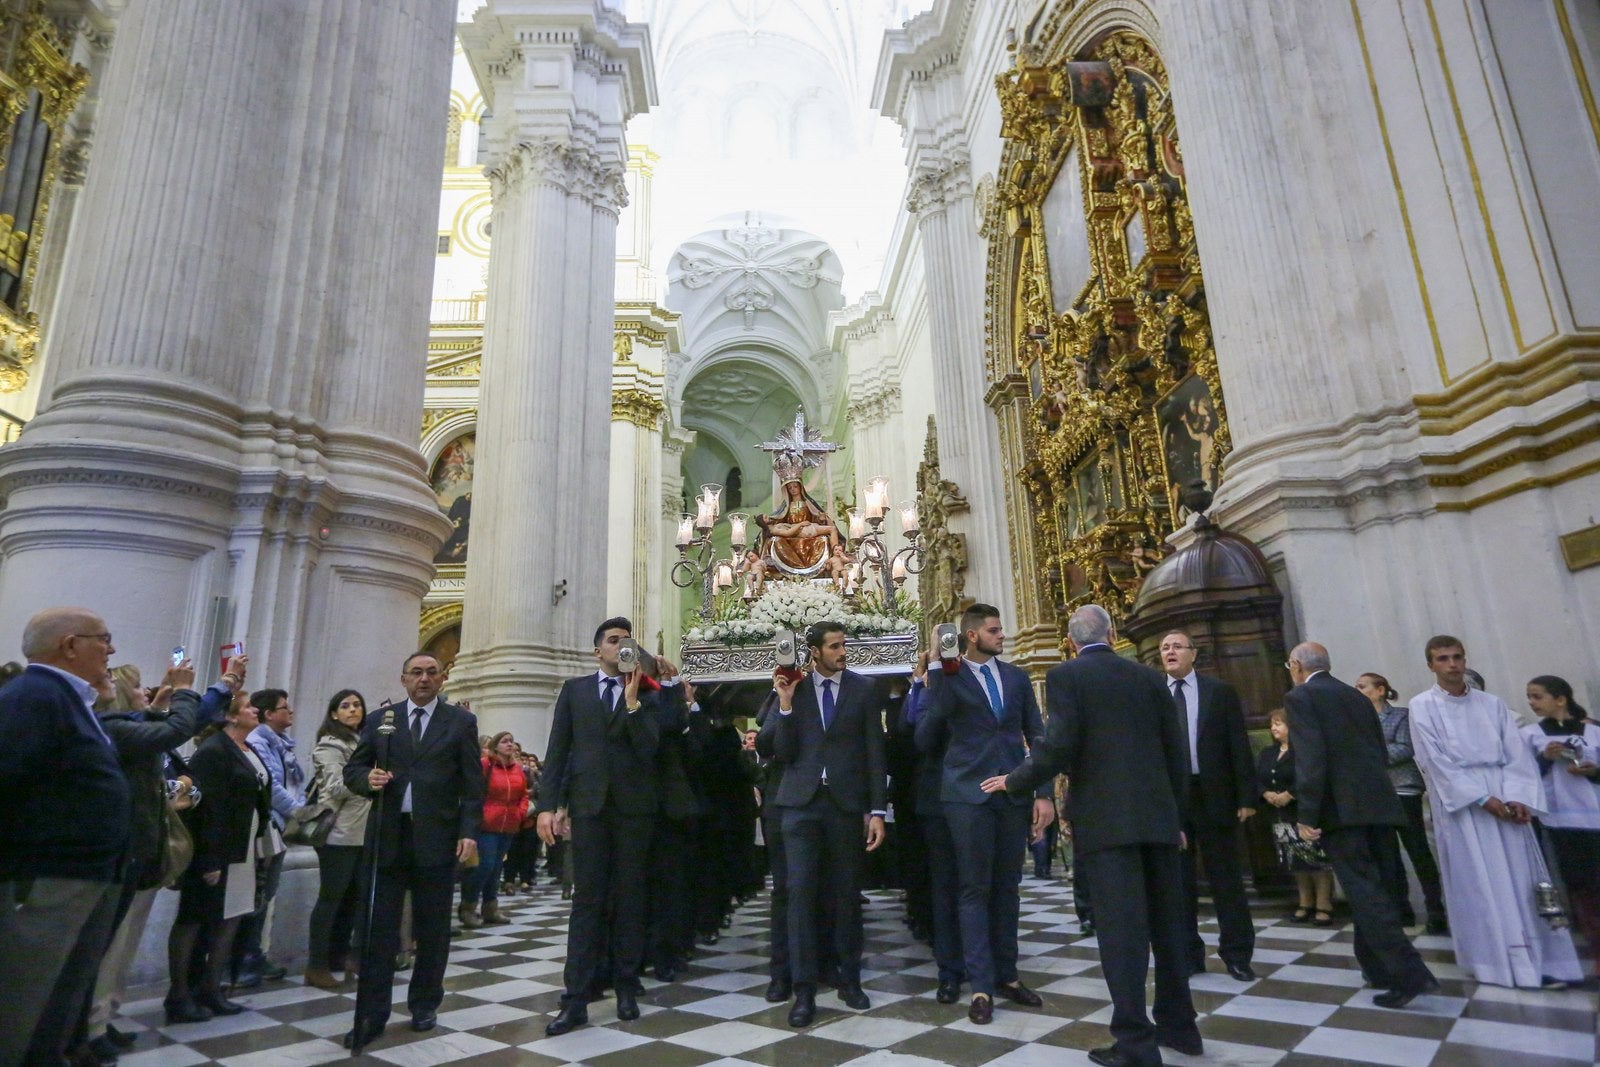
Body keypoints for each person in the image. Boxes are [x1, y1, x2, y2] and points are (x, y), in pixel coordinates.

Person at [981, 605, 1195, 1067]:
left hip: (1107, 822)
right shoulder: (1149, 678)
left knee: (1121, 935)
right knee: (1168, 927)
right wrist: (1176, 817)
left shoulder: (1067, 678)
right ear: (1113, 634)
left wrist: (1015, 779)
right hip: (1158, 819)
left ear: (1072, 642)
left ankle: (1136, 1043)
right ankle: (1181, 1028)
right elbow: (1175, 751)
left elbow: (1059, 745)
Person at [85, 657, 241, 1059]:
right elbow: (177, 729)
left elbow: (171, 729)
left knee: (124, 946)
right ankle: (91, 1026)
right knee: (111, 949)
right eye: (139, 689)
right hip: (126, 854)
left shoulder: (132, 726)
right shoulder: (119, 729)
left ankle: (105, 1017)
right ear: (122, 695)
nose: (148, 692)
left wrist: (221, 684)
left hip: (143, 854)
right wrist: (189, 690)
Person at [1407, 636, 1583, 989]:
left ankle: (1542, 961)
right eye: (1443, 659)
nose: (1452, 664)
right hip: (1466, 807)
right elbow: (1435, 762)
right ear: (1431, 665)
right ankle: (1495, 964)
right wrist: (1483, 799)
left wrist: (1517, 797)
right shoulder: (1421, 706)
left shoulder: (1493, 704)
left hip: (1506, 796)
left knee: (1522, 880)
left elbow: (1515, 753)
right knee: (1480, 882)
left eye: (1457, 657)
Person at [0, 608, 131, 1067]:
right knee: (27, 1001)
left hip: (84, 873)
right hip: (50, 876)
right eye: (104, 638)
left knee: (60, 996)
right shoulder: (33, 696)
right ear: (70, 645)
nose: (111, 650)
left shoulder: (70, 699)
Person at [342, 652, 484, 1052]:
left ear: (442, 680)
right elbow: (353, 770)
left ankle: (424, 1003)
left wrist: (468, 831)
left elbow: (472, 785)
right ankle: (373, 1013)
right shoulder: (380, 722)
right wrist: (365, 778)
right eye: (416, 673)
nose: (423, 679)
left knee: (433, 929)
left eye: (431, 673)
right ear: (403, 679)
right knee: (379, 930)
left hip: (437, 839)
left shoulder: (460, 722)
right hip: (388, 836)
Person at [1285, 642, 1439, 1008]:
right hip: (1379, 805)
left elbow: (1311, 759)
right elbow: (1379, 751)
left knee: (1365, 892)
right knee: (1377, 888)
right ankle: (1375, 967)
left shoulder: (1301, 697)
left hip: (1341, 812)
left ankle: (1410, 974)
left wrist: (1307, 814)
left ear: (1296, 666)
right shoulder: (1355, 696)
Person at [916, 603, 1050, 1024]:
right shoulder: (949, 677)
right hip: (965, 796)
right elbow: (926, 737)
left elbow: (1038, 735)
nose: (1002, 635)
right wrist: (938, 673)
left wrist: (1042, 792)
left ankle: (1007, 975)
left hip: (1012, 794)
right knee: (973, 888)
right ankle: (979, 986)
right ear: (971, 635)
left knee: (1007, 887)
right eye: (994, 630)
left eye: (1001, 628)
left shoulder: (1016, 677)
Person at [535, 618, 667, 1036]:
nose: (621, 646)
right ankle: (575, 997)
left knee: (630, 898)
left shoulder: (648, 693)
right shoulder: (574, 692)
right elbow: (558, 750)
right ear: (598, 652)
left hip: (633, 810)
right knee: (586, 902)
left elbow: (650, 750)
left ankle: (626, 985)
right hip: (589, 808)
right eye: (613, 641)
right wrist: (548, 805)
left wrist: (632, 702)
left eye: (628, 641)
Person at [761, 620, 887, 1027]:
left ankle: (849, 979)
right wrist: (783, 705)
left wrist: (877, 810)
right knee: (799, 896)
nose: (842, 652)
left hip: (845, 806)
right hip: (800, 805)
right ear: (814, 651)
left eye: (843, 645)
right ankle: (803, 991)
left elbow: (874, 752)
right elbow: (782, 752)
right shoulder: (793, 690)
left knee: (846, 893)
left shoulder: (863, 690)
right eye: (834, 646)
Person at [166, 691, 276, 1023]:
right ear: (230, 716)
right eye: (247, 706)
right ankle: (180, 994)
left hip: (242, 850)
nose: (255, 710)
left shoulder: (248, 748)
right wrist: (209, 859)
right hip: (216, 851)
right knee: (194, 920)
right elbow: (206, 809)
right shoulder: (214, 750)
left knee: (231, 918)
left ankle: (212, 989)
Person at [1157, 630, 1257, 981]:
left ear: (1193, 654)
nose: (1170, 652)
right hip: (1174, 800)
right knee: (1178, 883)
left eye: (1177, 646)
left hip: (1216, 795)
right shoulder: (1153, 695)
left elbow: (1238, 746)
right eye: (1165, 647)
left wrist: (1247, 797)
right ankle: (1188, 954)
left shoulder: (1219, 692)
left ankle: (1237, 954)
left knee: (1226, 879)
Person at [1521, 675, 1600, 978]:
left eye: (1537, 696)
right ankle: (1594, 949)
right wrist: (1544, 759)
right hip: (1560, 820)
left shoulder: (1593, 731)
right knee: (1582, 889)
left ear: (1561, 699)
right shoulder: (1530, 735)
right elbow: (1522, 776)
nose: (1531, 702)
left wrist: (1593, 772)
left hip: (1594, 814)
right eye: (1529, 696)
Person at [1355, 671, 1447, 933]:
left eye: (1363, 687)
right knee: (1387, 856)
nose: (1358, 691)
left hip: (1403, 790)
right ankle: (1400, 909)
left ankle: (1435, 910)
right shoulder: (1359, 720)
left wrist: (1370, 757)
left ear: (1381, 690)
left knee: (1418, 851)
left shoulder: (1401, 716)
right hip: (1376, 794)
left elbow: (1406, 747)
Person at [234, 688, 304, 988]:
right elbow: (271, 786)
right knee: (256, 895)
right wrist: (299, 812)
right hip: (268, 825)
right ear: (268, 714)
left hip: (279, 826)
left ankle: (251, 954)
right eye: (283, 707)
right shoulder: (259, 741)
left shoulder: (280, 744)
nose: (289, 711)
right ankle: (243, 958)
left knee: (264, 894)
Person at [303, 689, 372, 990]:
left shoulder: (362, 742)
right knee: (331, 899)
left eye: (357, 705)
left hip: (362, 832)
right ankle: (316, 965)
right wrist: (370, 777)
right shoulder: (329, 745)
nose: (353, 710)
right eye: (345, 706)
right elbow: (334, 787)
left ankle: (338, 957)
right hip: (338, 833)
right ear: (334, 714)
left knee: (352, 900)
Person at [1255, 707, 1334, 923]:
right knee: (1295, 860)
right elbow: (1258, 777)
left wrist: (1290, 794)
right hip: (1279, 815)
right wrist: (1266, 793)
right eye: (1272, 724)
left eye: (1278, 723)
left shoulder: (1303, 751)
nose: (1273, 728)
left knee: (1316, 859)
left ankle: (1324, 903)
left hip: (1302, 812)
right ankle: (1305, 901)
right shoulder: (1268, 753)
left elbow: (1311, 776)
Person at [462, 731, 529, 929]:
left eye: (512, 741)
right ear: (495, 746)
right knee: (485, 866)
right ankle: (468, 907)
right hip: (487, 824)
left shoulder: (517, 769)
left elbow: (523, 794)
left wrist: (520, 812)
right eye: (505, 741)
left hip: (508, 825)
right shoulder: (486, 765)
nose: (510, 745)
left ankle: (490, 908)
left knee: (496, 868)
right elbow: (473, 791)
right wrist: (480, 814)